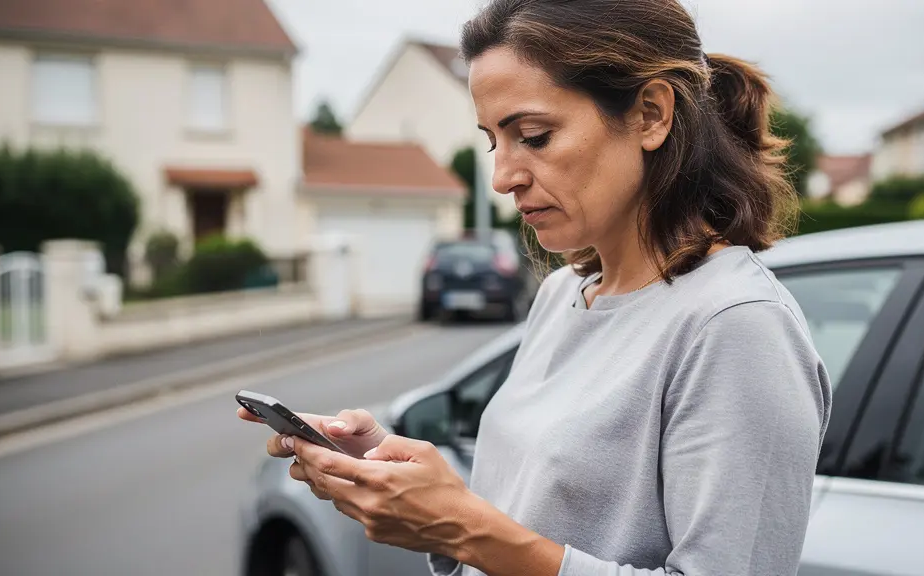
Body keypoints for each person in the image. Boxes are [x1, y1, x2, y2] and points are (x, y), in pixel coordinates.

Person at [237, 0, 832, 574]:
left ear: (651, 115)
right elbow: (539, 515)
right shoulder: (562, 295)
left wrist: (463, 527)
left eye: (535, 136)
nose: (502, 177)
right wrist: (405, 480)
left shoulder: (734, 325)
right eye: (495, 140)